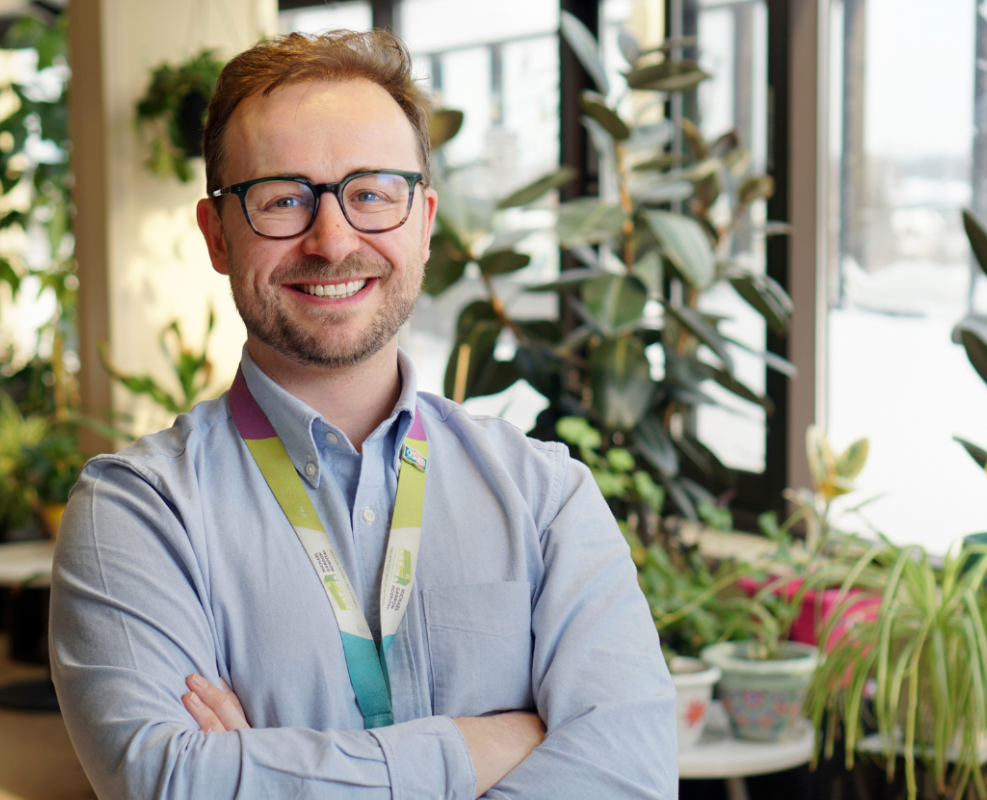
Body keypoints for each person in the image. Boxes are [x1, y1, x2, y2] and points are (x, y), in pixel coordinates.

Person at [50, 29, 677, 800]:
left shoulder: (545, 496)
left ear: (424, 219)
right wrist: (486, 744)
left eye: (373, 193)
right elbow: (167, 782)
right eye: (282, 199)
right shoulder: (139, 511)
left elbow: (629, 777)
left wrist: (263, 770)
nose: (333, 239)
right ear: (217, 235)